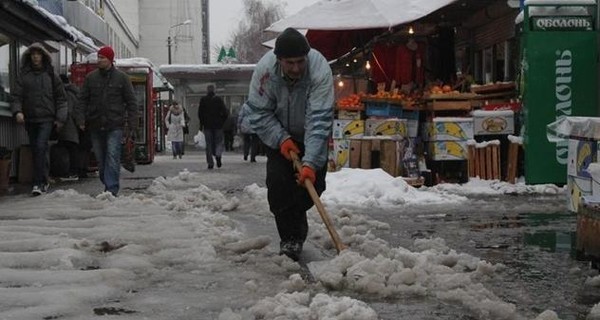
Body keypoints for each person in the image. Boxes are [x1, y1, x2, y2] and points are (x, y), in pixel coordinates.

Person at [246, 28, 334, 261]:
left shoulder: (319, 70)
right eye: (290, 63)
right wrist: (281, 139)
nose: (296, 68)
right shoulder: (265, 72)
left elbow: (318, 119)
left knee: (309, 189)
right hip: (278, 135)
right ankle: (290, 238)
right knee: (278, 186)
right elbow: (258, 112)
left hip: (310, 135)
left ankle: (296, 221)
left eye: (300, 62)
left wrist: (311, 163)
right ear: (279, 60)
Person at [78, 46, 138, 196]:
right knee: (100, 158)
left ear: (110, 60)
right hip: (95, 123)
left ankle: (111, 189)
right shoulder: (91, 78)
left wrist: (132, 123)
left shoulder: (122, 78)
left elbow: (131, 101)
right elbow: (82, 100)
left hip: (114, 124)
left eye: (102, 58)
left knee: (112, 155)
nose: (99, 60)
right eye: (98, 57)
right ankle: (107, 181)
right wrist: (80, 119)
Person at [11, 42, 68, 196]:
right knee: (37, 149)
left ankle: (39, 183)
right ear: (30, 57)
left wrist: (60, 119)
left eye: (39, 54)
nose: (36, 57)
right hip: (30, 119)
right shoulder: (24, 76)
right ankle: (44, 179)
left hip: (47, 118)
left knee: (41, 146)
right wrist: (18, 112)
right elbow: (17, 97)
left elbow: (61, 99)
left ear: (43, 56)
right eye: (33, 54)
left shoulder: (51, 75)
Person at [52, 74, 84, 181]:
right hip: (72, 125)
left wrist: (60, 120)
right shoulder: (74, 92)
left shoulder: (66, 93)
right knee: (72, 147)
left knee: (69, 147)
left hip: (67, 125)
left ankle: (72, 171)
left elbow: (68, 110)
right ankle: (74, 171)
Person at [197, 84, 228, 169]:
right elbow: (225, 113)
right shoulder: (218, 100)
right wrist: (221, 122)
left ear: (207, 90)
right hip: (218, 126)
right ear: (214, 90)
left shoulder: (203, 100)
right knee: (219, 142)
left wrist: (202, 124)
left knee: (209, 144)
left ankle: (210, 163)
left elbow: (200, 114)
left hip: (207, 126)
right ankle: (218, 155)